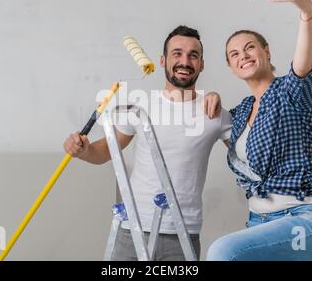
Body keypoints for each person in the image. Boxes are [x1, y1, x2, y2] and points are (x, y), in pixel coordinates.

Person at [64, 25, 233, 260]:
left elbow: (248, 155)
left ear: (201, 64)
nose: (185, 61)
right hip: (131, 228)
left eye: (193, 55)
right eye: (177, 53)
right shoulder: (141, 105)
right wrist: (83, 150)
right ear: (163, 60)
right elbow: (104, 152)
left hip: (182, 234)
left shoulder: (214, 112)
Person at [206, 0, 312, 261]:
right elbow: (223, 130)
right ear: (231, 67)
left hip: (305, 220)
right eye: (234, 54)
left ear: (265, 52)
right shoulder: (239, 115)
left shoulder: (290, 90)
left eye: (249, 47)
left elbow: (303, 62)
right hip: (258, 221)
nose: (243, 55)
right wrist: (211, 95)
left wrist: (306, 12)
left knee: (222, 253)